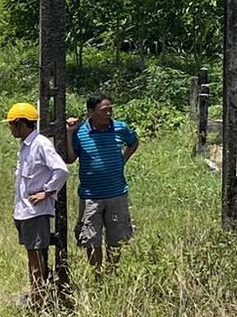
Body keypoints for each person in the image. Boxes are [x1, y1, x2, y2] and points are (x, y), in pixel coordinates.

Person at [65, 93, 140, 272]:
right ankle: (98, 273)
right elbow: (70, 158)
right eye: (103, 111)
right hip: (91, 196)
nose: (108, 114)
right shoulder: (81, 132)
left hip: (116, 193)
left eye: (110, 110)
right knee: (91, 238)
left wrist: (122, 160)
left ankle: (112, 271)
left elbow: (133, 142)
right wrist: (69, 134)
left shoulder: (119, 128)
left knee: (116, 237)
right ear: (91, 112)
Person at [7, 102, 68, 303]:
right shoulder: (25, 146)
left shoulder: (40, 144)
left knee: (36, 255)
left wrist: (47, 192)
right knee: (32, 253)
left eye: (11, 125)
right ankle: (37, 294)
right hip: (23, 210)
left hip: (35, 211)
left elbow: (61, 170)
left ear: (21, 124)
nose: (10, 129)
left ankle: (39, 297)